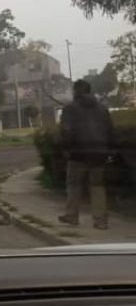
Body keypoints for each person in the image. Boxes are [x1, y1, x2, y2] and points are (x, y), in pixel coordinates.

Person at [58, 79, 115, 230]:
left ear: (76, 91)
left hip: (78, 154)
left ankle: (71, 216)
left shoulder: (70, 109)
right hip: (99, 155)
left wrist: (66, 149)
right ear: (89, 91)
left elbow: (66, 131)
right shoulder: (102, 109)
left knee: (74, 185)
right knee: (98, 186)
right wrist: (110, 152)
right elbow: (110, 131)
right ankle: (100, 221)